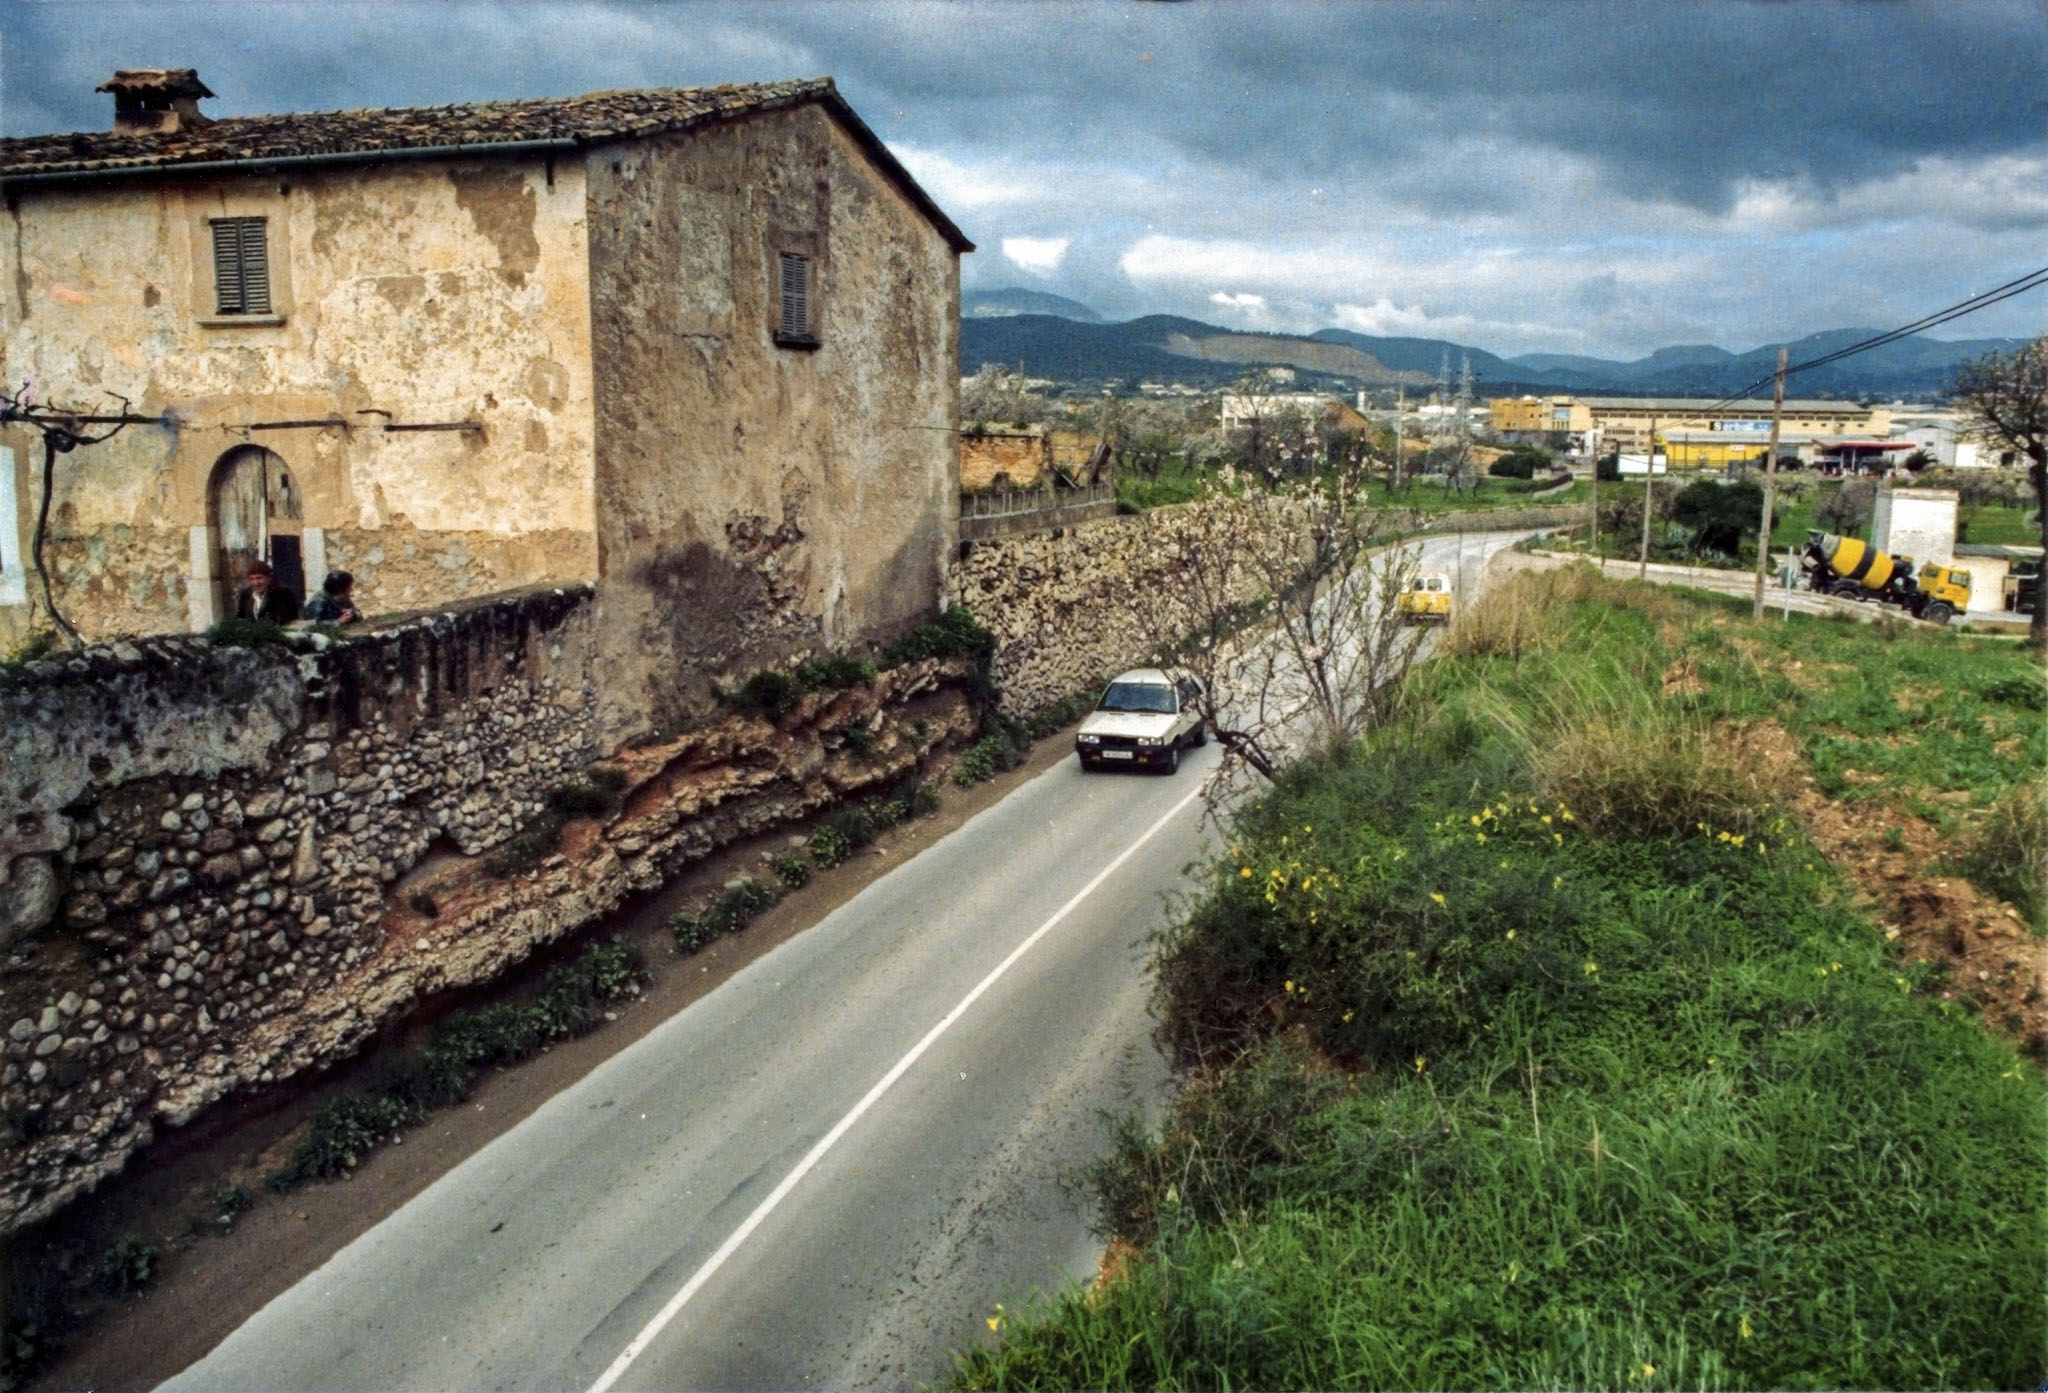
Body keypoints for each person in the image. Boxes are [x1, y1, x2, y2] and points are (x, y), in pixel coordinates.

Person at [233, 558, 300, 623]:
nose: (256, 583)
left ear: (269, 578)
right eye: (252, 579)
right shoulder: (246, 594)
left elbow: (284, 620)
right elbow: (240, 617)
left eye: (259, 578)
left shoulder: (282, 594)